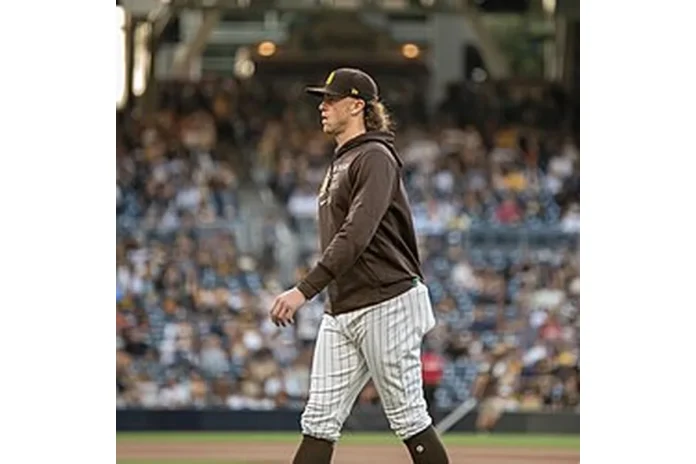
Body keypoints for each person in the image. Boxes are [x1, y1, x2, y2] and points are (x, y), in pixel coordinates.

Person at [270, 68, 450, 464]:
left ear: (356, 106)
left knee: (408, 417)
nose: (323, 106)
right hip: (343, 306)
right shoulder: (343, 159)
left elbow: (357, 234)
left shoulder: (375, 156)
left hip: (387, 300)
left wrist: (304, 290)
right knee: (318, 420)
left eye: (331, 99)